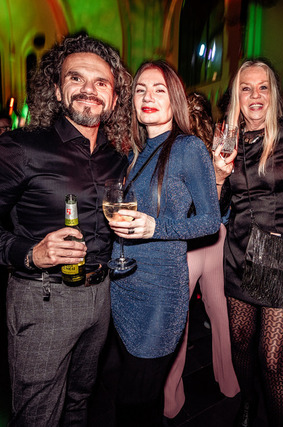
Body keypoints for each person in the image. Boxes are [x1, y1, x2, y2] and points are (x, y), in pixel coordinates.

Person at [0, 34, 132, 426]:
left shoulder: (117, 158)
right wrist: (30, 252)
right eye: (76, 78)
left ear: (114, 97)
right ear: (56, 89)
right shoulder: (23, 147)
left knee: (79, 401)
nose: (89, 89)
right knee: (38, 414)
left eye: (101, 82)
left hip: (101, 296)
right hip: (43, 297)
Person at [106, 60, 221, 427]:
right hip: (124, 285)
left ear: (175, 99)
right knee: (140, 397)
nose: (148, 97)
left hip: (159, 293)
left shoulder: (188, 147)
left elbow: (210, 221)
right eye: (141, 90)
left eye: (159, 90)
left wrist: (155, 226)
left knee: (133, 400)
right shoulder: (135, 152)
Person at [212, 59, 283, 427]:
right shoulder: (228, 139)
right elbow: (218, 209)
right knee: (241, 344)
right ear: (236, 96)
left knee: (274, 359)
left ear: (273, 93)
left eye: (263, 87)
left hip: (281, 259)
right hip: (239, 254)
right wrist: (218, 176)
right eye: (246, 88)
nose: (255, 95)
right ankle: (247, 401)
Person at [163, 92, 239, 419]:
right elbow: (226, 205)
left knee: (180, 319)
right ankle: (229, 382)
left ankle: (171, 398)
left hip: (191, 241)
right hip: (217, 236)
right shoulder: (217, 147)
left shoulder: (176, 148)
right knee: (220, 313)